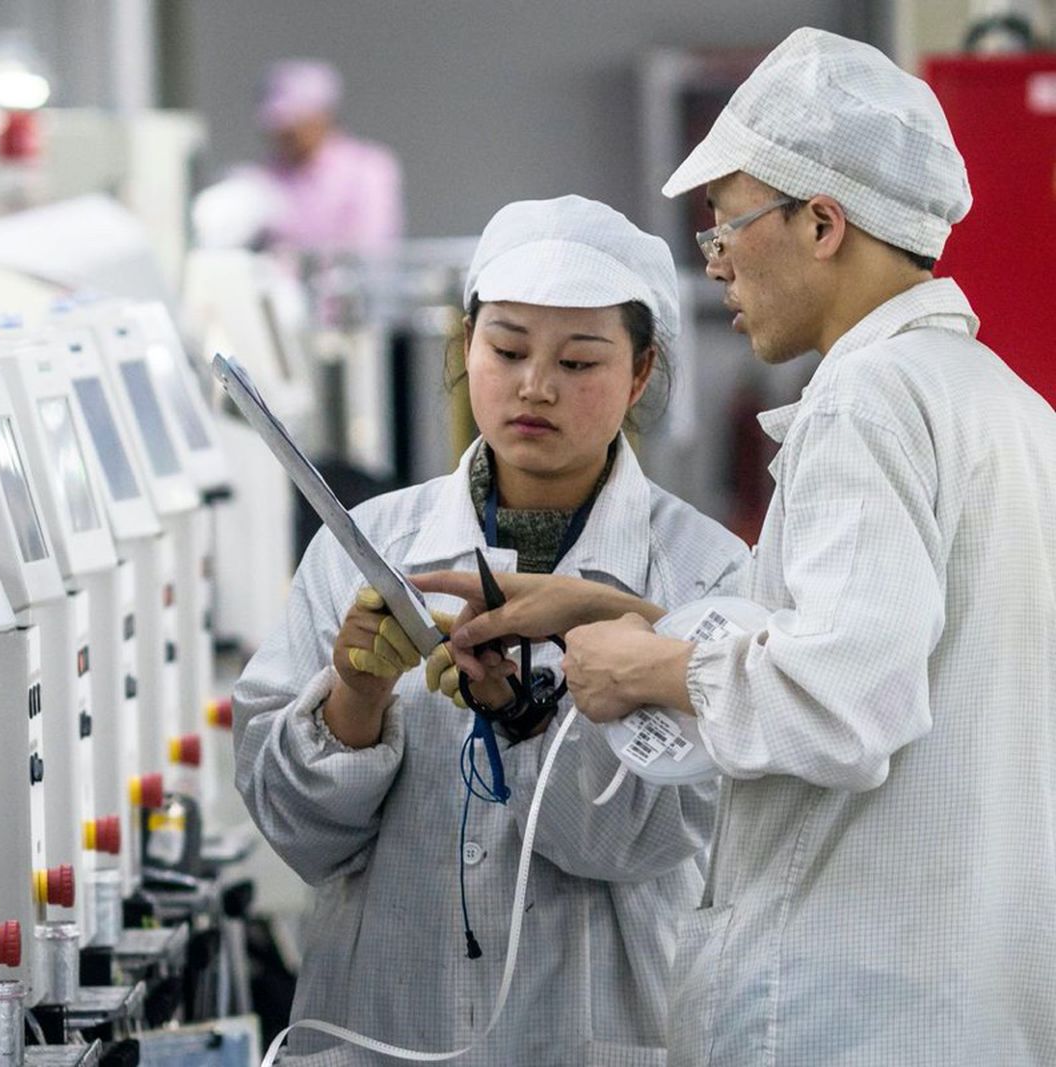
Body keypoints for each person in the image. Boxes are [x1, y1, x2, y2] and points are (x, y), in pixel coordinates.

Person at [440, 28, 1056, 1065]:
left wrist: (649, 669)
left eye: (726, 224)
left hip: (853, 1014)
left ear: (821, 222)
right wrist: (622, 617)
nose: (714, 261)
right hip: (967, 1001)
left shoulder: (865, 400)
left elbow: (845, 704)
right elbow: (888, 652)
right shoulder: (1003, 402)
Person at [232, 195, 747, 1065]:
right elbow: (299, 837)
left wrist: (522, 713)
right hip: (384, 1025)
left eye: (578, 361)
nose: (535, 386)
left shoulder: (706, 576)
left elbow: (642, 839)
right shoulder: (365, 548)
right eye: (507, 350)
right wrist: (356, 698)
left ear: (639, 372)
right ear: (466, 346)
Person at [254, 58, 403, 255]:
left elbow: (372, 247)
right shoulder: (262, 177)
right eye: (278, 127)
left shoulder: (367, 169)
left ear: (323, 116)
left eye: (295, 124)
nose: (282, 134)